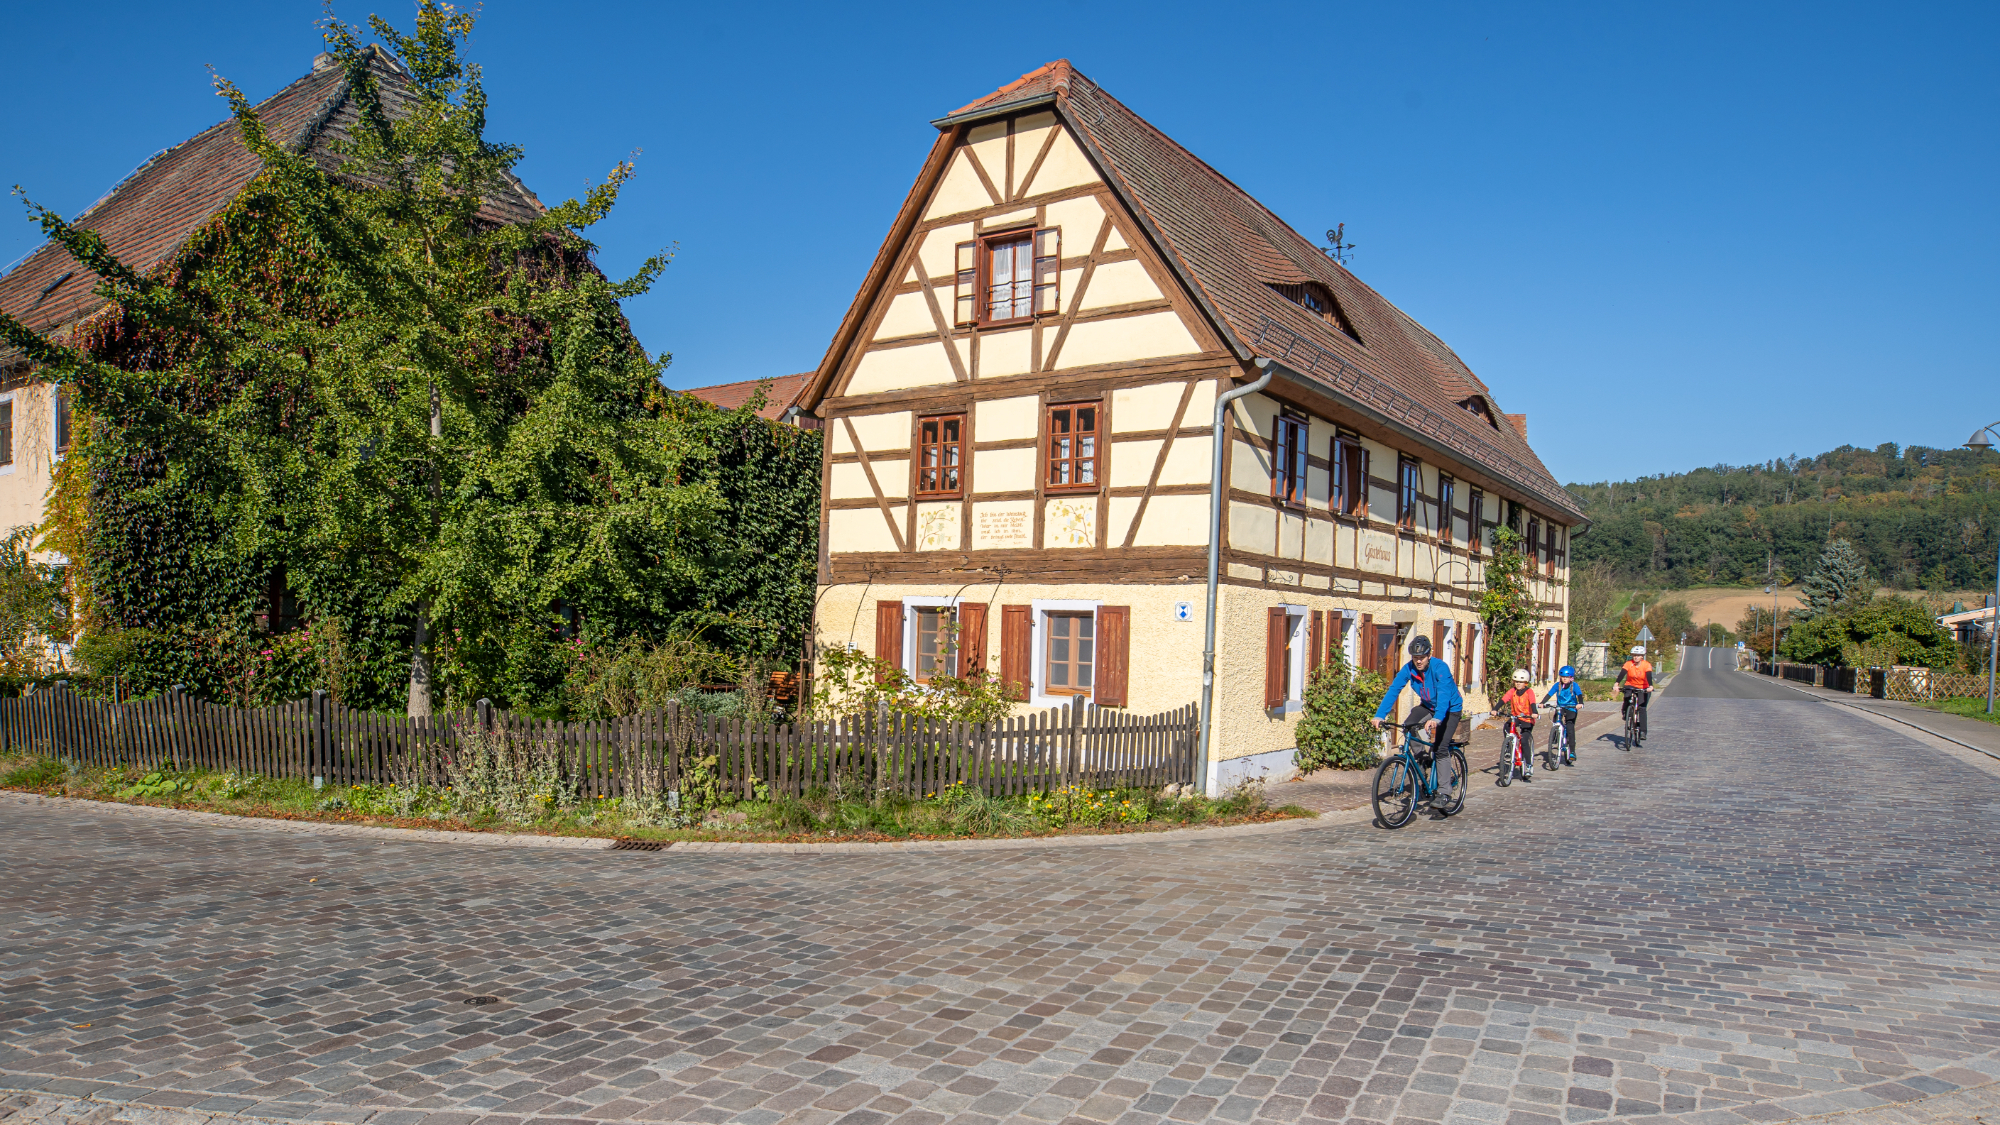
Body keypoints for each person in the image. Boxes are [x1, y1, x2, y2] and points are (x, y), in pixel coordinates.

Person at [1369, 636, 1464, 796]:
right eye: (1415, 658)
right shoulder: (1409, 669)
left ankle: (1444, 792)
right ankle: (1423, 759)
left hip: (1449, 709)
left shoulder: (1440, 668)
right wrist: (1380, 715)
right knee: (1408, 726)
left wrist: (1437, 718)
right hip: (1428, 706)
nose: (1418, 662)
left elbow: (1444, 695)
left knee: (1440, 748)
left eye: (1421, 658)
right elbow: (1394, 689)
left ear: (1429, 656)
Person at [1498, 668, 1538, 781]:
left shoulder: (1529, 692)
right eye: (1516, 681)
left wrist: (1534, 712)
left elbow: (1532, 702)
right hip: (1515, 717)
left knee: (1524, 740)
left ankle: (1529, 765)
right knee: (1506, 726)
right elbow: (1504, 699)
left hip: (1527, 719)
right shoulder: (1512, 691)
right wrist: (1495, 709)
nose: (1518, 684)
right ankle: (1509, 747)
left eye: (1520, 682)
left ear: (1526, 683)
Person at [1542, 665, 1584, 765]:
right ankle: (1556, 735)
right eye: (1563, 677)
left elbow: (1579, 695)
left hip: (1571, 708)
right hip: (1560, 707)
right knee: (1556, 721)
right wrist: (1542, 702)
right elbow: (1549, 694)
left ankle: (1572, 751)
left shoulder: (1575, 685)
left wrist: (1580, 703)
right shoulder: (1557, 685)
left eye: (1567, 677)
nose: (1564, 679)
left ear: (1571, 678)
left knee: (1570, 727)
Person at [1618, 645, 1654, 743]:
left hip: (1643, 687)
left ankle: (1643, 732)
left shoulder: (1646, 665)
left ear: (1642, 656)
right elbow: (1622, 673)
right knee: (1627, 698)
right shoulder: (1629, 664)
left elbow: (1649, 675)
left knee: (1642, 708)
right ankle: (1626, 712)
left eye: (1638, 655)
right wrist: (1616, 684)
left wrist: (1650, 686)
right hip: (1630, 685)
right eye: (1634, 655)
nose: (1636, 657)